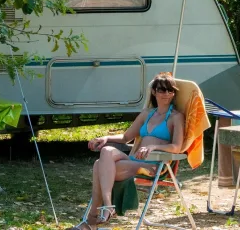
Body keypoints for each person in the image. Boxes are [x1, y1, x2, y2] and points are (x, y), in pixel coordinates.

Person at [71, 72, 185, 230]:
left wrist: (154, 147)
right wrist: (106, 138)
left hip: (153, 164)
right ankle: (107, 207)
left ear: (173, 93)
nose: (166, 94)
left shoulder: (176, 117)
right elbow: (126, 137)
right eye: (162, 90)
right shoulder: (147, 114)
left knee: (99, 166)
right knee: (106, 150)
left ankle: (91, 221)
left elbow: (177, 147)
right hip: (134, 160)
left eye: (170, 90)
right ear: (154, 92)